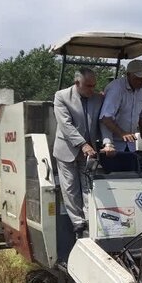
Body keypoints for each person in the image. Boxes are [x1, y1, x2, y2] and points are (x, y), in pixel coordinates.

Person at [52, 67, 112, 237]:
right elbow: (66, 125)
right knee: (70, 187)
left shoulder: (98, 99)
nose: (92, 89)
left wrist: (108, 142)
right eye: (88, 86)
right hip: (67, 149)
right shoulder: (61, 96)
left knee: (88, 186)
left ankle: (90, 220)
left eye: (94, 86)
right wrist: (82, 144)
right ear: (77, 83)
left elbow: (103, 122)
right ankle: (78, 224)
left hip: (89, 151)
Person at [99, 59, 142, 158]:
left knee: (132, 171)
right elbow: (105, 118)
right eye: (138, 78)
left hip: (131, 145)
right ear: (128, 75)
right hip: (111, 146)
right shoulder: (116, 89)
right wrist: (122, 134)